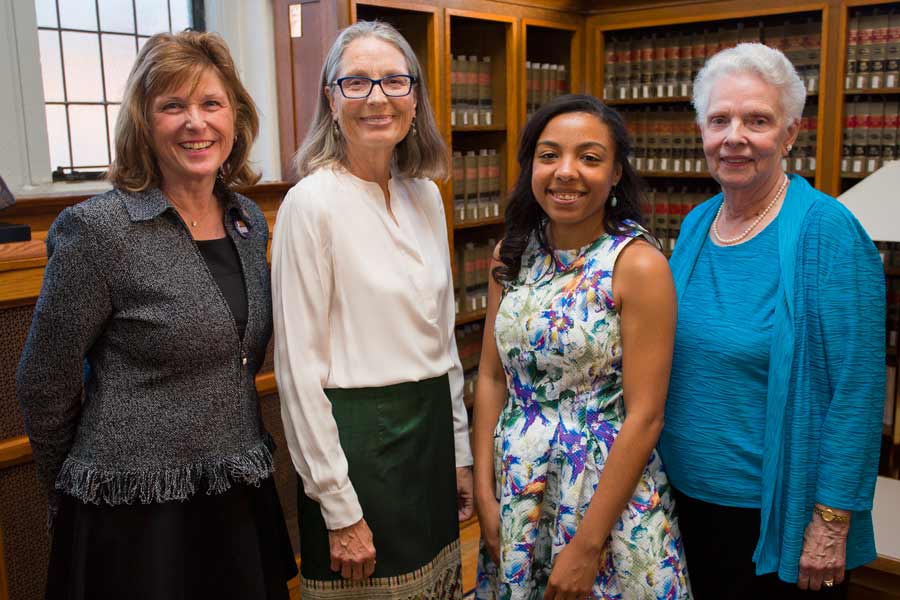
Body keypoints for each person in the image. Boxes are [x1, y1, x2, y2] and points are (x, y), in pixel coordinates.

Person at [16, 31, 297, 599]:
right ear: (144, 123)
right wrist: (70, 494)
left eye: (210, 104)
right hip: (132, 517)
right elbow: (43, 382)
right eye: (173, 106)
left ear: (235, 117)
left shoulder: (248, 221)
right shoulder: (99, 230)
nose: (196, 122)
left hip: (233, 493)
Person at [657, 42, 885, 599]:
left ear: (789, 134)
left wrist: (830, 522)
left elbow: (857, 391)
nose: (734, 136)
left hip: (773, 514)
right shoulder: (696, 223)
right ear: (702, 133)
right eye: (719, 120)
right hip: (679, 500)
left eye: (757, 120)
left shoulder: (828, 232)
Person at [271, 20, 473, 599]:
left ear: (415, 98)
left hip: (429, 436)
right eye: (355, 83)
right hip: (359, 452)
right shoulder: (310, 204)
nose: (377, 98)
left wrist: (458, 452)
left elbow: (442, 340)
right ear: (331, 99)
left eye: (393, 81)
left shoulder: (425, 196)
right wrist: (337, 505)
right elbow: (298, 374)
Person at [473, 94, 690, 600]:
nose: (565, 172)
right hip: (519, 487)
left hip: (602, 497)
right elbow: (489, 376)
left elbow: (646, 417)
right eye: (549, 156)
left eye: (589, 158)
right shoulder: (511, 255)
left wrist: (587, 545)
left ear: (615, 174)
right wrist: (486, 493)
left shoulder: (637, 265)